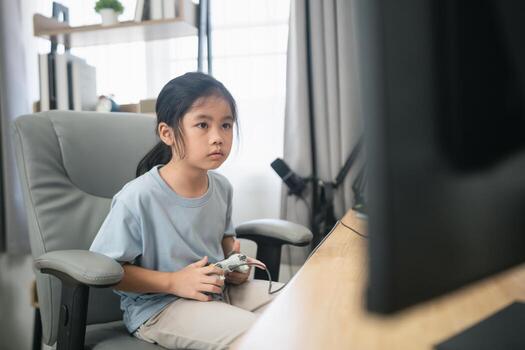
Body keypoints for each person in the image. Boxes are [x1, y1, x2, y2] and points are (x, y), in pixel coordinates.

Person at [90, 72, 282, 350]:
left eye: (226, 125)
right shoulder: (138, 197)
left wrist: (235, 265)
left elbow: (225, 241)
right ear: (167, 133)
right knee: (258, 337)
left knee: (298, 307)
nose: (218, 137)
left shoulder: (221, 187)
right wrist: (174, 281)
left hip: (218, 292)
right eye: (203, 125)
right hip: (160, 308)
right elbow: (106, 272)